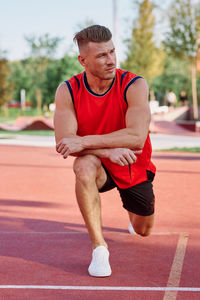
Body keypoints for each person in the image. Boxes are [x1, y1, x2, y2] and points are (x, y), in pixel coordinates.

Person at [54, 25, 156, 277]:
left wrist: (86, 141)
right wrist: (108, 151)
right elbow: (66, 142)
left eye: (112, 52)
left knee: (143, 229)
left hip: (132, 163)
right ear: (83, 61)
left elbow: (136, 137)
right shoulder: (68, 90)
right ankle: (99, 248)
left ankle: (132, 217)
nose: (111, 60)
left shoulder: (134, 84)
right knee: (82, 166)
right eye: (101, 55)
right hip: (100, 163)